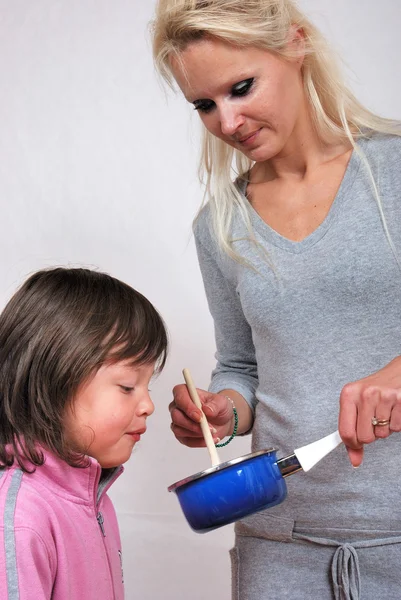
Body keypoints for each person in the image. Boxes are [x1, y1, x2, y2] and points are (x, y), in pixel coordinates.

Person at [151, 1, 401, 598]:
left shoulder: (392, 174)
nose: (228, 121)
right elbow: (242, 367)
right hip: (280, 546)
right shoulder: (219, 225)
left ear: (296, 44)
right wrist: (223, 413)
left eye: (241, 87)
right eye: (205, 104)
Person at [0, 267, 168, 600]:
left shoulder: (93, 496)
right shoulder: (19, 518)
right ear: (53, 381)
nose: (148, 405)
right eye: (127, 386)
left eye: (148, 386)